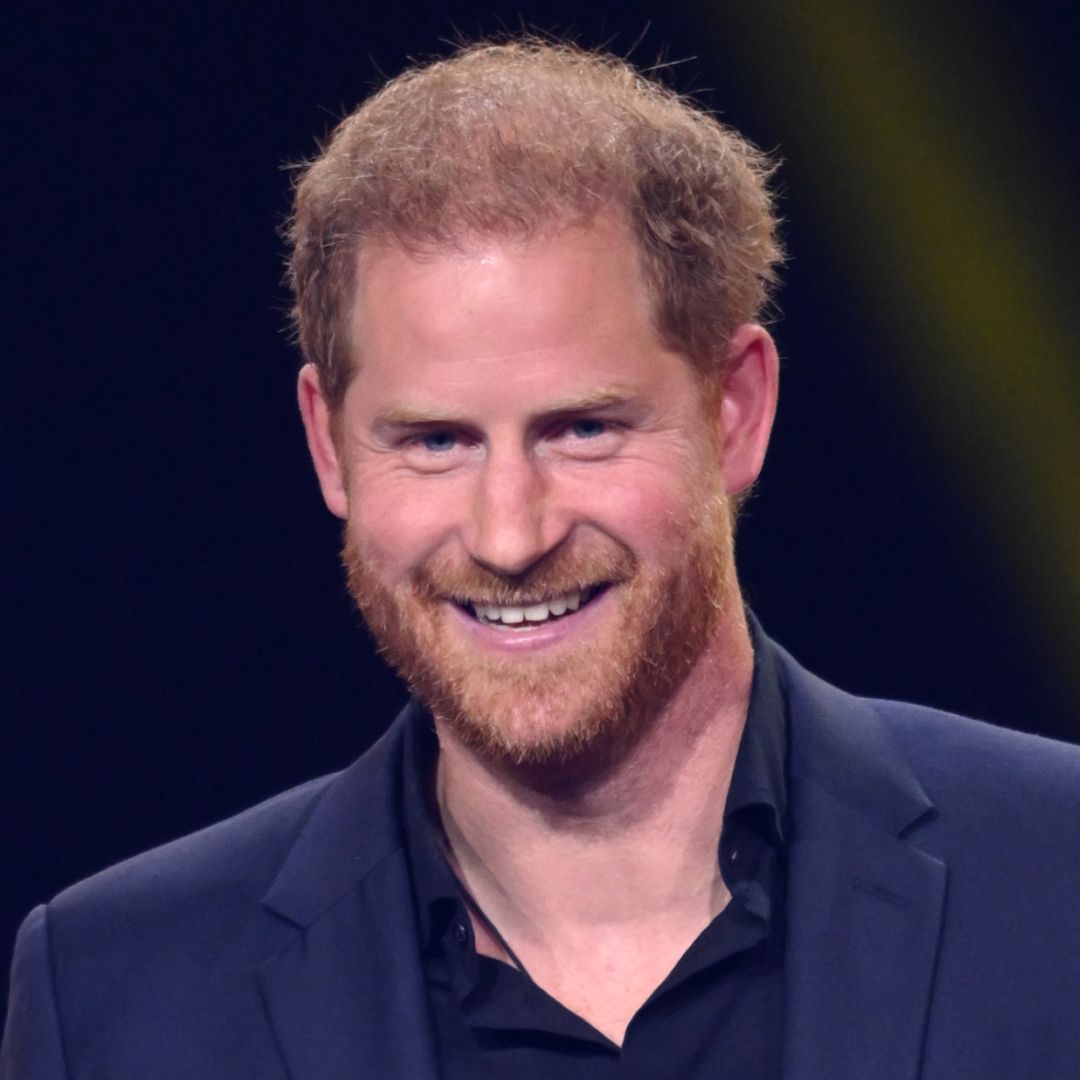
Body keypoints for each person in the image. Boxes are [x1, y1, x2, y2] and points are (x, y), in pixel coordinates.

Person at [3, 37, 1080, 1080]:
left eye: (582, 430)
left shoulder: (1055, 882)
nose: (510, 534)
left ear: (736, 411)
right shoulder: (115, 997)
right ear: (328, 444)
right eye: (435, 442)